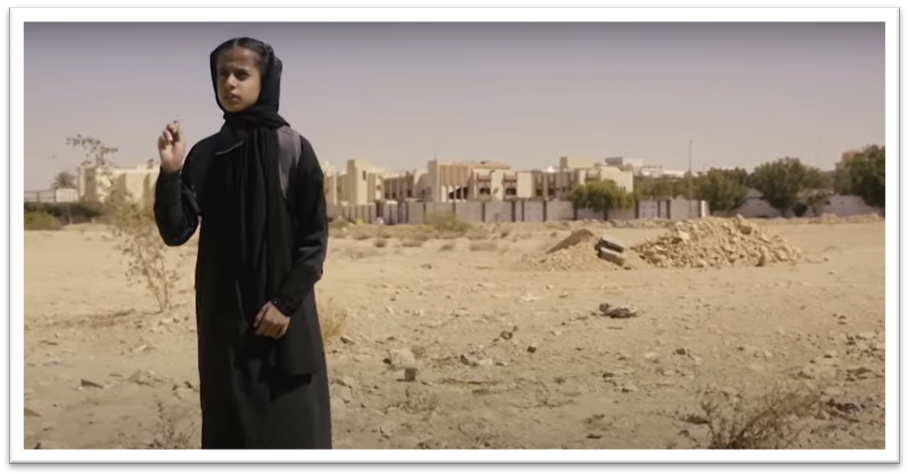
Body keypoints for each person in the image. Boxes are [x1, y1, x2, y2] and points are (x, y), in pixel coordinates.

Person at [153, 37, 331, 449]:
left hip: (282, 320)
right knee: (228, 427)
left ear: (264, 79)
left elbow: (314, 240)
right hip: (224, 322)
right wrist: (171, 172)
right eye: (221, 74)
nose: (229, 83)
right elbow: (176, 231)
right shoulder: (205, 154)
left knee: (292, 427)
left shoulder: (293, 148)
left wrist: (285, 303)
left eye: (241, 74)